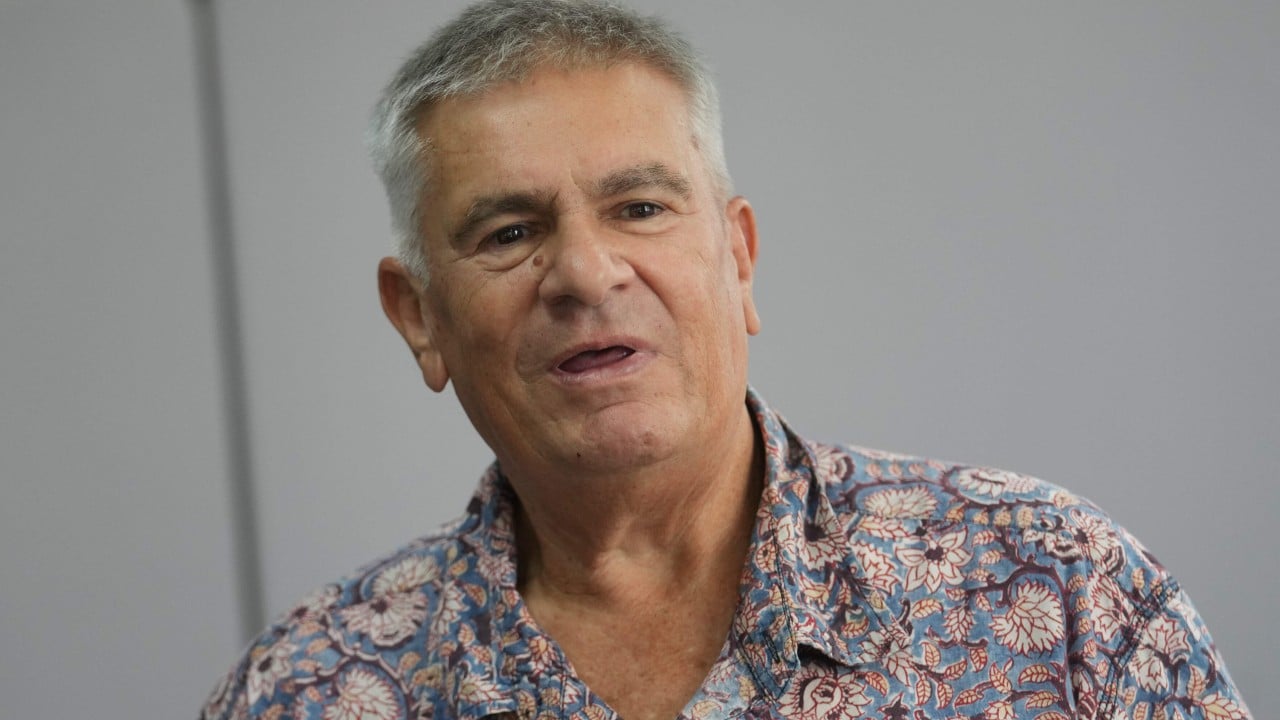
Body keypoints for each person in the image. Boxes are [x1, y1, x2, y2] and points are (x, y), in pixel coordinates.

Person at [201, 1, 1251, 719]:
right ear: (418, 315)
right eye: (509, 232)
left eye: (639, 207)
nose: (586, 273)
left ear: (737, 256)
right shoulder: (302, 691)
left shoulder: (1058, 590)